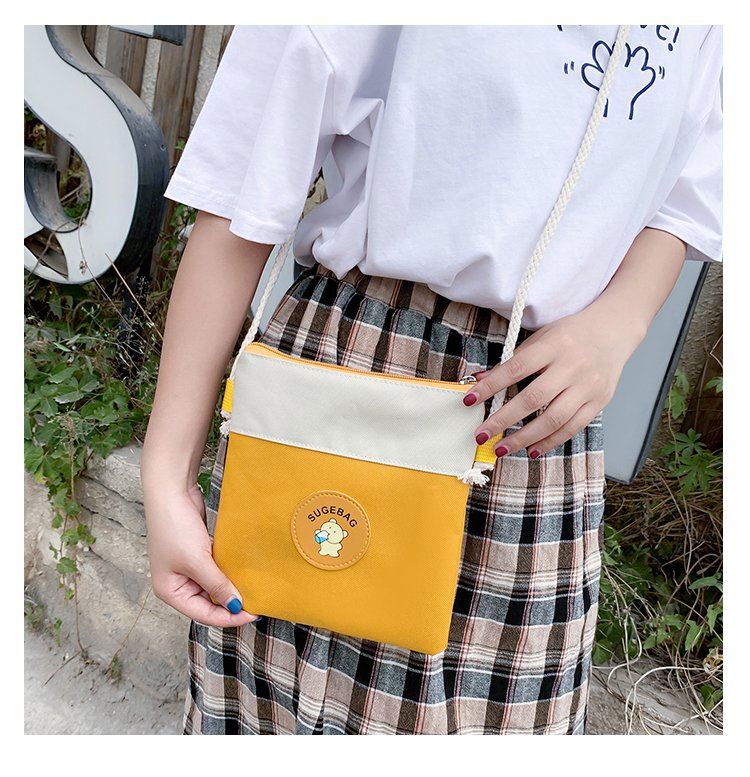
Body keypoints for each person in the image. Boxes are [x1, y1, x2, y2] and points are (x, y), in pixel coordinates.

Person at [141, 25, 723, 735]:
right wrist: (165, 476)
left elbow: (687, 193)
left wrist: (618, 325)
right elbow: (244, 189)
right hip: (361, 372)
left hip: (537, 418)